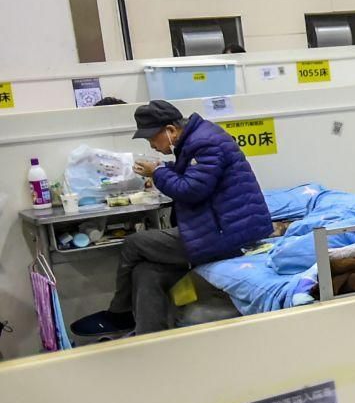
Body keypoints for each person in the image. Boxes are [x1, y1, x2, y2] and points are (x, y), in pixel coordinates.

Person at [72, 100, 273, 337]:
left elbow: (191, 190)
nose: (152, 146)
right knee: (146, 272)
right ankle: (152, 339)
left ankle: (119, 314)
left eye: (152, 139)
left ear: (170, 130)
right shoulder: (197, 139)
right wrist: (164, 169)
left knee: (134, 244)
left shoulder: (205, 142)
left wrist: (158, 172)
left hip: (229, 235)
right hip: (219, 228)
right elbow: (195, 175)